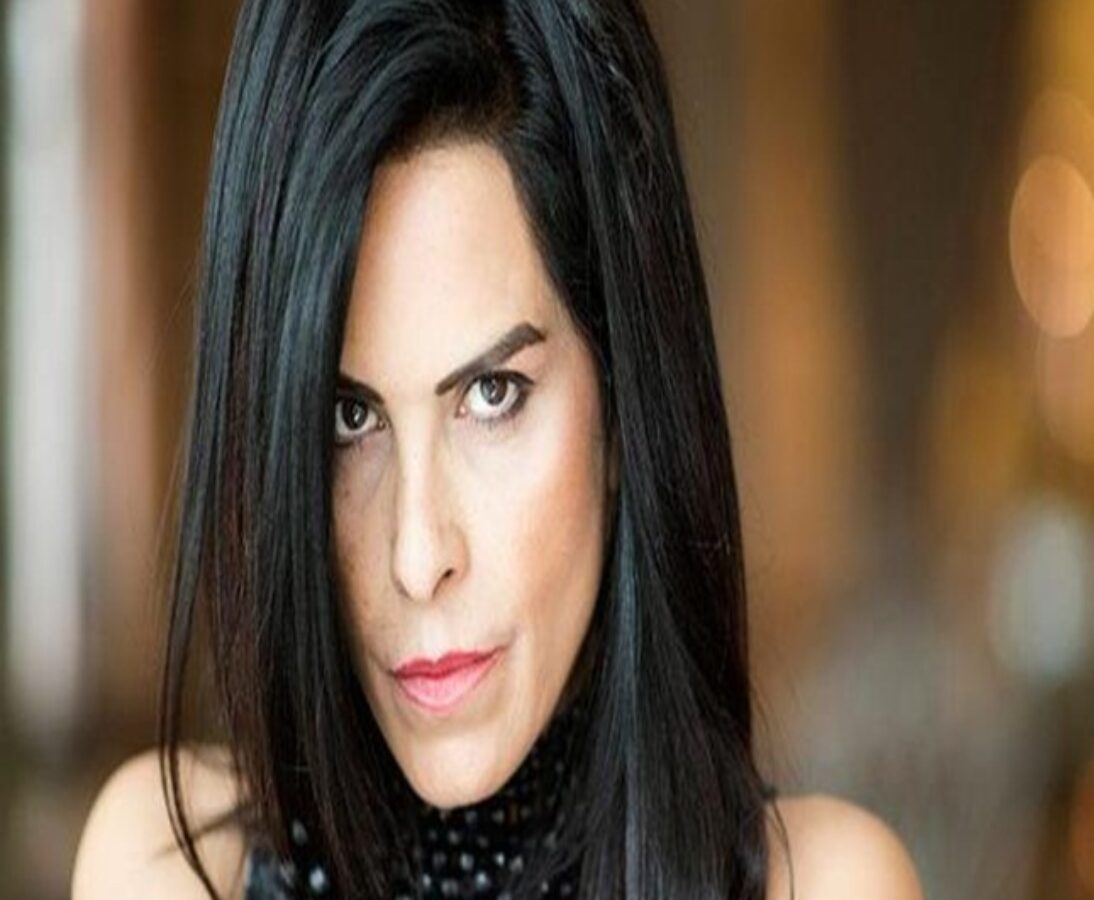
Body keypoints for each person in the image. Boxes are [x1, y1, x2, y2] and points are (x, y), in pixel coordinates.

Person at [72, 1, 924, 897]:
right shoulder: (168, 870)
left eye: (492, 395)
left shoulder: (826, 885)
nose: (418, 557)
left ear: (624, 406)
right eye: (349, 418)